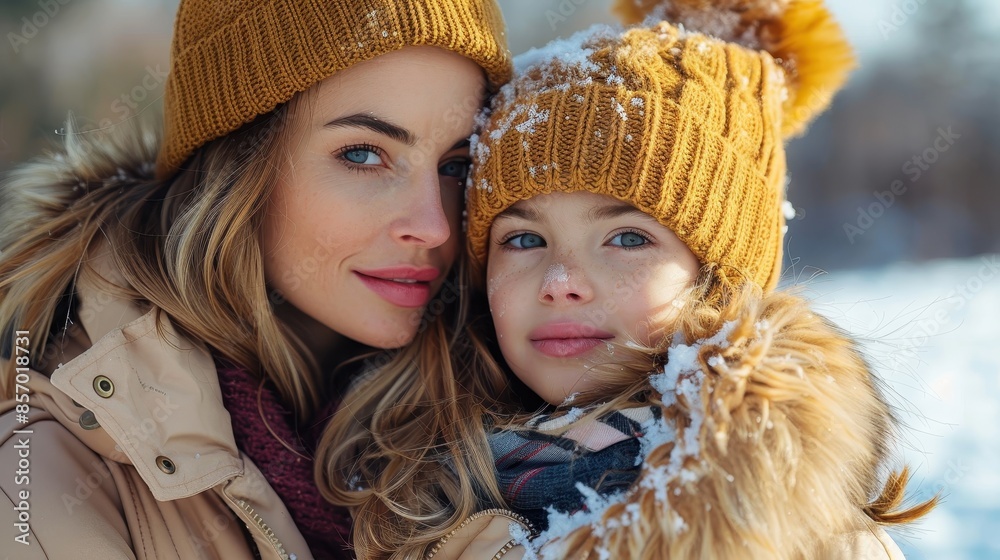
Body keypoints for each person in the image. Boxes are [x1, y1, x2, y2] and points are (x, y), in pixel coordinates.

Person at [323, 0, 936, 558]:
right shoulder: (399, 486)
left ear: (720, 277)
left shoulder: (797, 529)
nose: (561, 281)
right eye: (524, 239)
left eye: (627, 239)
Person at [0, 0, 511, 558]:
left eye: (457, 165)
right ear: (237, 167)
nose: (433, 226)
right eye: (364, 154)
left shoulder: (530, 424)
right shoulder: (36, 490)